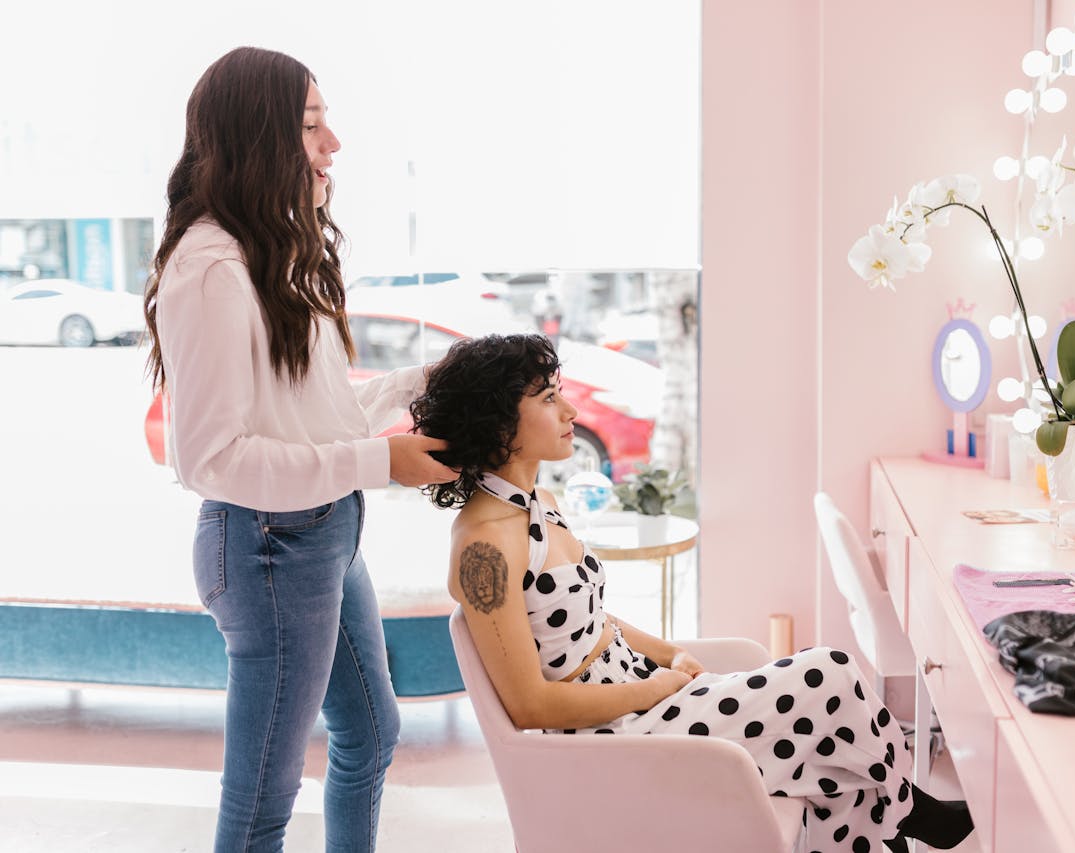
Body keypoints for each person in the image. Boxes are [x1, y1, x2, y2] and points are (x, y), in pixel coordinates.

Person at [410, 333, 974, 853]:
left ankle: (898, 816)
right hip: (610, 733)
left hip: (642, 693)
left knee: (835, 736)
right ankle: (907, 809)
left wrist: (667, 655)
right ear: (498, 421)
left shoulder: (542, 504)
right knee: (827, 675)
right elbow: (529, 703)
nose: (571, 411)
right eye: (549, 399)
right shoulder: (485, 544)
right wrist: (651, 690)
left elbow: (592, 620)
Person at [141, 47, 458, 852]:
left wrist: (417, 381)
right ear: (259, 138)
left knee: (372, 730)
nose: (334, 144)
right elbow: (211, 459)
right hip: (269, 548)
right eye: (313, 124)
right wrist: (381, 463)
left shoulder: (272, 251)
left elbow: (309, 412)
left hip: (322, 534)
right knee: (261, 810)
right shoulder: (210, 268)